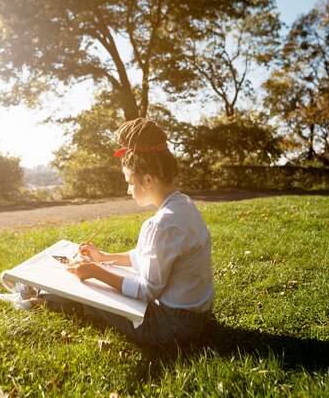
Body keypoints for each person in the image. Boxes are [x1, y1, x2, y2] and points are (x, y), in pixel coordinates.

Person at [19, 118, 215, 347]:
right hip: (195, 317)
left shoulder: (161, 224)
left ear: (148, 180)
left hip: (170, 328)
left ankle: (37, 299)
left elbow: (147, 290)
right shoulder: (183, 205)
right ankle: (40, 297)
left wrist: (95, 272)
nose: (128, 190)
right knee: (105, 281)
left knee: (94, 294)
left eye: (130, 182)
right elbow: (150, 257)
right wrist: (104, 258)